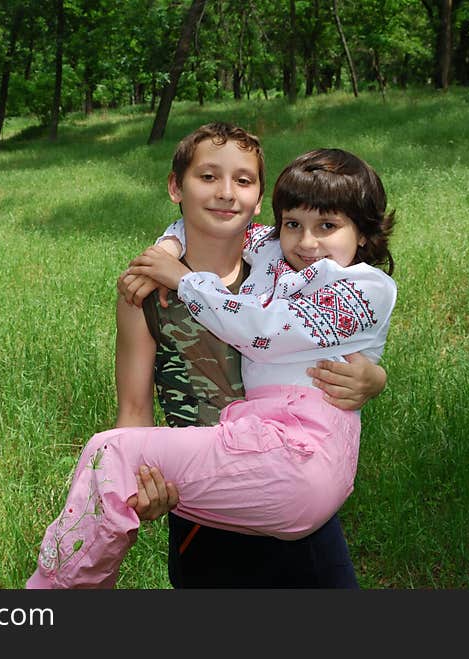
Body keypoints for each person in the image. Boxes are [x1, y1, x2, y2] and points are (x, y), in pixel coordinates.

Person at [25, 142, 396, 589]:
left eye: (243, 180)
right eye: (294, 224)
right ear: (176, 187)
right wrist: (166, 247)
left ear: (256, 197)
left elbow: (267, 329)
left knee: (110, 454)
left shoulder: (354, 282)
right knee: (118, 455)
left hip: (292, 464)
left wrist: (376, 377)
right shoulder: (271, 254)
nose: (308, 240)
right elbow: (135, 406)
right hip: (217, 484)